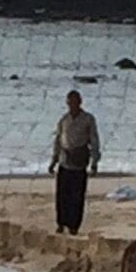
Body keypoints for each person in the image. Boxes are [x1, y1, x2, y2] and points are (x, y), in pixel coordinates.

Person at [50, 89, 100, 233]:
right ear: (67, 103)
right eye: (70, 101)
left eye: (75, 101)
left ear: (80, 102)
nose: (73, 104)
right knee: (62, 196)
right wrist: (54, 160)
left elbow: (94, 140)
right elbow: (58, 140)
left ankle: (74, 225)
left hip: (79, 162)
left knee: (77, 197)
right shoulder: (64, 120)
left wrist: (94, 162)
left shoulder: (88, 119)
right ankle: (61, 223)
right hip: (64, 161)